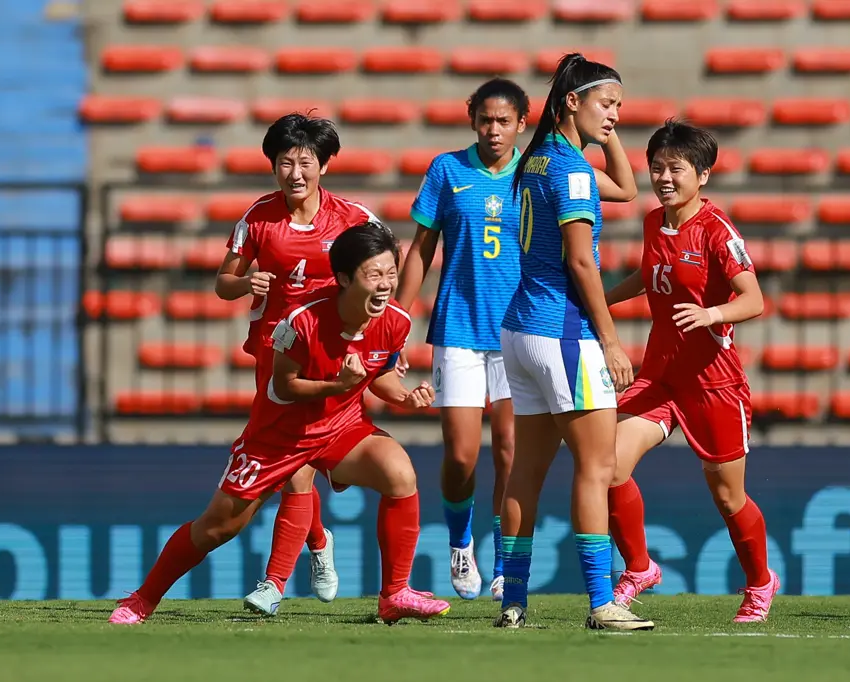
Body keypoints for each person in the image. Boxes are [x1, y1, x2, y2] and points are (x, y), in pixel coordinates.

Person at [109, 222, 451, 625]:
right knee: (218, 527)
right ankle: (142, 599)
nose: (385, 285)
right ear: (343, 278)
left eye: (391, 274)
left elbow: (379, 376)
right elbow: (284, 387)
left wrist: (406, 397)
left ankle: (395, 594)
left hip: (341, 427)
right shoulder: (300, 321)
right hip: (280, 435)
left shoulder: (396, 321)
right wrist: (336, 384)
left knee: (400, 474)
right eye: (374, 275)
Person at [493, 53, 652, 631]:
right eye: (607, 105)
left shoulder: (534, 160)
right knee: (597, 466)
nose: (615, 117)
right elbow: (583, 262)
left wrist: (604, 133)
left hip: (519, 331)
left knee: (525, 473)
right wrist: (610, 341)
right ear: (572, 103)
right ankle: (601, 602)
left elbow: (629, 190)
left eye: (620, 108)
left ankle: (511, 602)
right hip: (563, 333)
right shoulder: (573, 172)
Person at [604, 119, 775, 623]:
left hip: (713, 383)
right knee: (608, 466)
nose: (663, 177)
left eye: (675, 168)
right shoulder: (654, 221)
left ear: (701, 175)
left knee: (727, 496)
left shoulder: (719, 231)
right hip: (660, 377)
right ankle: (639, 568)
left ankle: (761, 583)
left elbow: (755, 299)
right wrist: (599, 300)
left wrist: (712, 314)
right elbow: (647, 274)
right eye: (656, 168)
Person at [213, 113, 380, 615]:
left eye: (305, 161)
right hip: (275, 357)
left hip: (332, 356)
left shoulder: (353, 219)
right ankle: (307, 554)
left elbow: (382, 275)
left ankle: (281, 576)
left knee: (300, 468)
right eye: (285, 162)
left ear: (324, 165)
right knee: (296, 471)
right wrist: (247, 284)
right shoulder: (259, 218)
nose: (295, 172)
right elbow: (224, 282)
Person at [395, 78, 527, 601]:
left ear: (522, 122)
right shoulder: (446, 170)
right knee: (462, 457)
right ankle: (459, 543)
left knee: (512, 451)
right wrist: (396, 322)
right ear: (472, 117)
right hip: (459, 328)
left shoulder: (536, 172)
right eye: (485, 120)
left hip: (520, 330)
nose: (493, 130)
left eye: (503, 121)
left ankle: (505, 564)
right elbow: (420, 252)